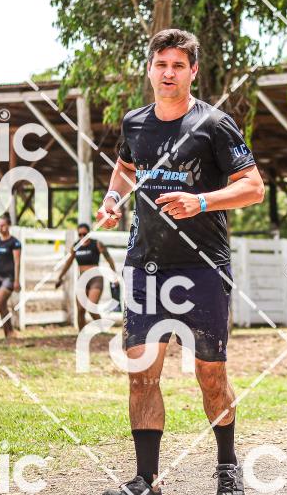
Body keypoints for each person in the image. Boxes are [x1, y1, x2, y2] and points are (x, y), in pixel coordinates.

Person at [97, 29, 264, 495]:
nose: (168, 73)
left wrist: (202, 201)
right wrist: (112, 199)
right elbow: (125, 168)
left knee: (210, 376)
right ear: (150, 70)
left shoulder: (214, 124)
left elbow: (253, 187)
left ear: (192, 72)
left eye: (178, 66)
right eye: (161, 64)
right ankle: (145, 479)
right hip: (145, 266)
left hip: (202, 267)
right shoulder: (134, 123)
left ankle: (227, 467)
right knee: (141, 374)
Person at [54, 223, 119, 331]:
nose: (82, 236)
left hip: (95, 279)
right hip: (82, 280)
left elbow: (109, 259)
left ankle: (102, 328)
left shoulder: (97, 244)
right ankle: (81, 334)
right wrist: (60, 277)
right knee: (80, 310)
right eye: (80, 234)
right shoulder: (76, 246)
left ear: (88, 234)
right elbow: (68, 263)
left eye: (84, 234)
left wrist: (114, 276)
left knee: (91, 307)